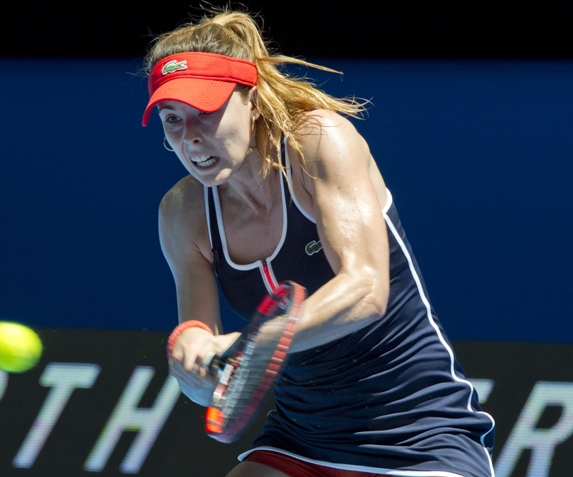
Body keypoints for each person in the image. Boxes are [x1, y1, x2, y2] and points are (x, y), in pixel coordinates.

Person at [142, 7, 495, 477]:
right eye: (172, 119)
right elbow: (207, 368)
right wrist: (196, 363)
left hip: (422, 432)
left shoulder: (319, 142)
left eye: (205, 112)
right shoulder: (182, 214)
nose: (190, 138)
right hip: (300, 439)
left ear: (253, 99)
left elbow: (366, 292)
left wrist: (251, 345)